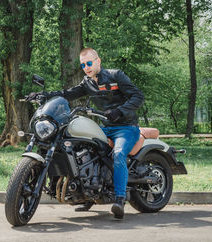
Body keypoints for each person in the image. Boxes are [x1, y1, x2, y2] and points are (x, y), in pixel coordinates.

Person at [28, 48, 144, 219]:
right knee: (84, 150)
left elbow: (137, 96)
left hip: (126, 127)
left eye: (89, 63)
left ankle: (119, 199)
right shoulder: (87, 83)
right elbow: (67, 94)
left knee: (118, 154)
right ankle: (89, 193)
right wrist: (44, 96)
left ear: (98, 61)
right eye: (83, 65)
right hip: (105, 128)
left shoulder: (116, 76)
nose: (86, 67)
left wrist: (120, 111)